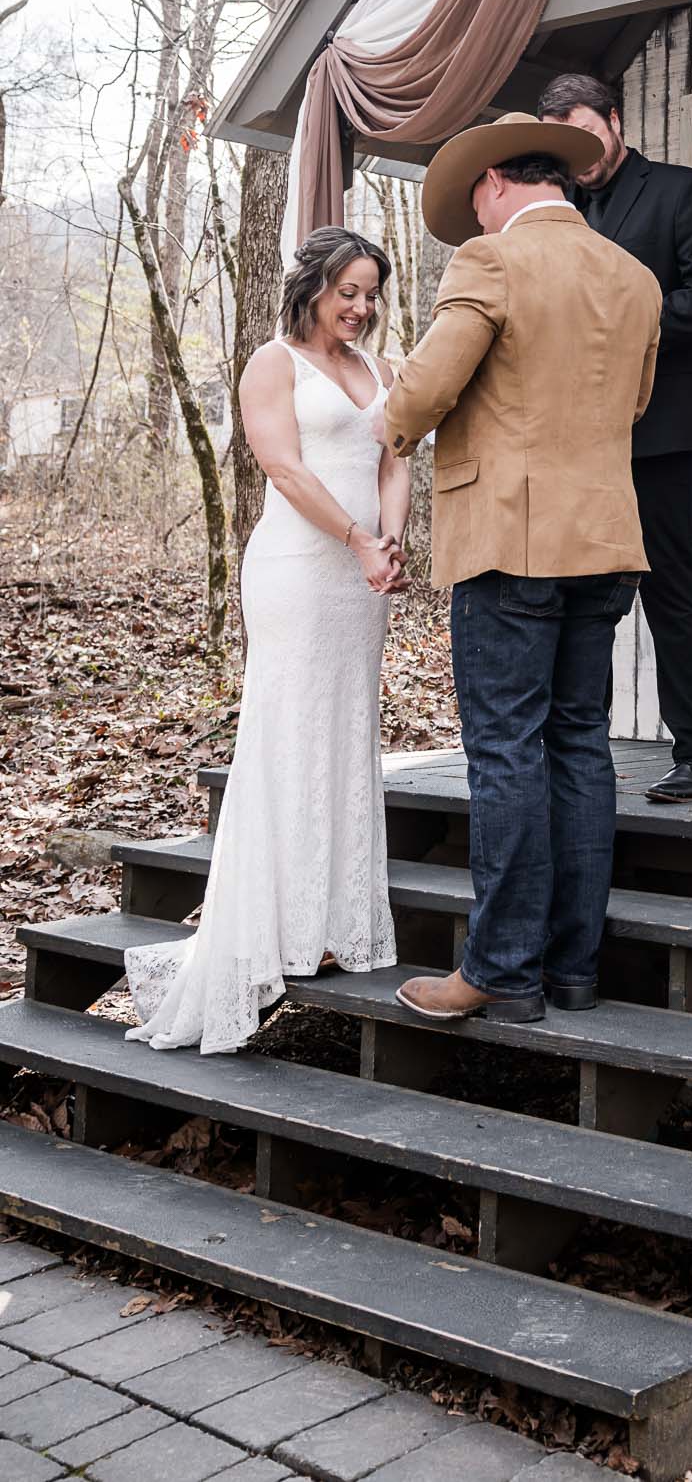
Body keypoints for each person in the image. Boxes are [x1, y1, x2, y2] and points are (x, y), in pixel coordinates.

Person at [385, 112, 661, 1023]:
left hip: (512, 540)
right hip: (606, 538)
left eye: (474, 201)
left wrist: (379, 430)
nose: (474, 217)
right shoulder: (634, 276)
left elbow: (426, 387)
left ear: (498, 181)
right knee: (580, 747)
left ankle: (502, 971)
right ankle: (571, 972)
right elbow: (636, 402)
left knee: (505, 751)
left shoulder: (491, 261)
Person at [125, 228, 407, 1055]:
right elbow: (281, 466)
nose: (359, 307)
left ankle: (332, 923)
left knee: (346, 732)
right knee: (287, 732)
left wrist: (389, 541)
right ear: (312, 286)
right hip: (298, 566)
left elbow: (395, 460)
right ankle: (271, 928)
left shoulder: (384, 371)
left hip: (363, 579)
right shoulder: (271, 361)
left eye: (370, 293)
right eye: (346, 291)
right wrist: (356, 538)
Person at [537, 70, 692, 803]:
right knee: (574, 589)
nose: (581, 155)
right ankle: (579, 748)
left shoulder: (681, 190)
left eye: (589, 136)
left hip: (658, 426)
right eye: (566, 145)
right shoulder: (551, 209)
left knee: (670, 585)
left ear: (615, 121)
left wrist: (624, 324)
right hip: (570, 433)